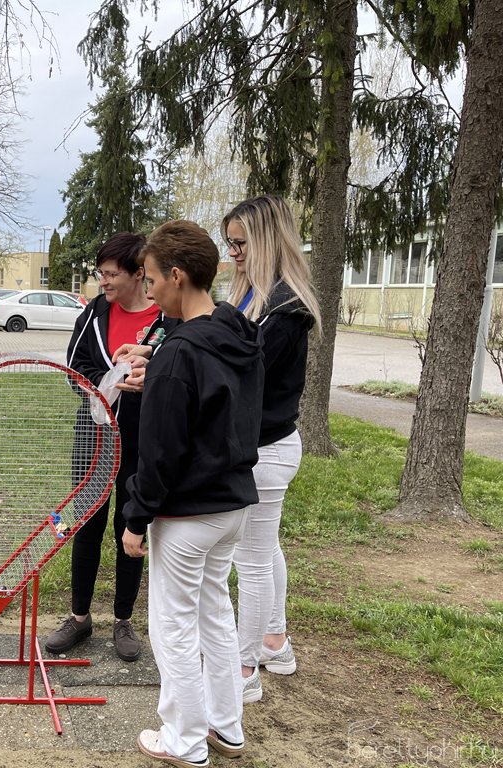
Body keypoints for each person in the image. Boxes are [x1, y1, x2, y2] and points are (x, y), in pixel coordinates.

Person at [121, 220, 264, 766]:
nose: (149, 288)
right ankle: (226, 726)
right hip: (231, 504)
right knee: (214, 614)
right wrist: (157, 372)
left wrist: (137, 517)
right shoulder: (237, 334)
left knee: (173, 626)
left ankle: (182, 739)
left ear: (177, 276)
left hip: (187, 512)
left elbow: (160, 451)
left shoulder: (179, 354)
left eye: (152, 278)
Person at [44, 233, 177, 663]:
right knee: (87, 523)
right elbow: (74, 367)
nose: (103, 281)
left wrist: (146, 378)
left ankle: (123, 620)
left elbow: (178, 372)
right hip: (94, 437)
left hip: (143, 438)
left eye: (111, 274)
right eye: (100, 273)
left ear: (139, 273)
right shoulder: (94, 312)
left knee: (129, 526)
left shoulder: (166, 317)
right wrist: (103, 386)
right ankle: (79, 617)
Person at [222, 194, 321, 703]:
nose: (233, 253)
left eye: (240, 243)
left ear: (266, 241)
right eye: (229, 243)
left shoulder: (284, 309)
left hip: (266, 450)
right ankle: (275, 643)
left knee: (252, 560)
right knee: (266, 550)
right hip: (266, 446)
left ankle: (243, 671)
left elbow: (240, 373)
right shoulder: (254, 297)